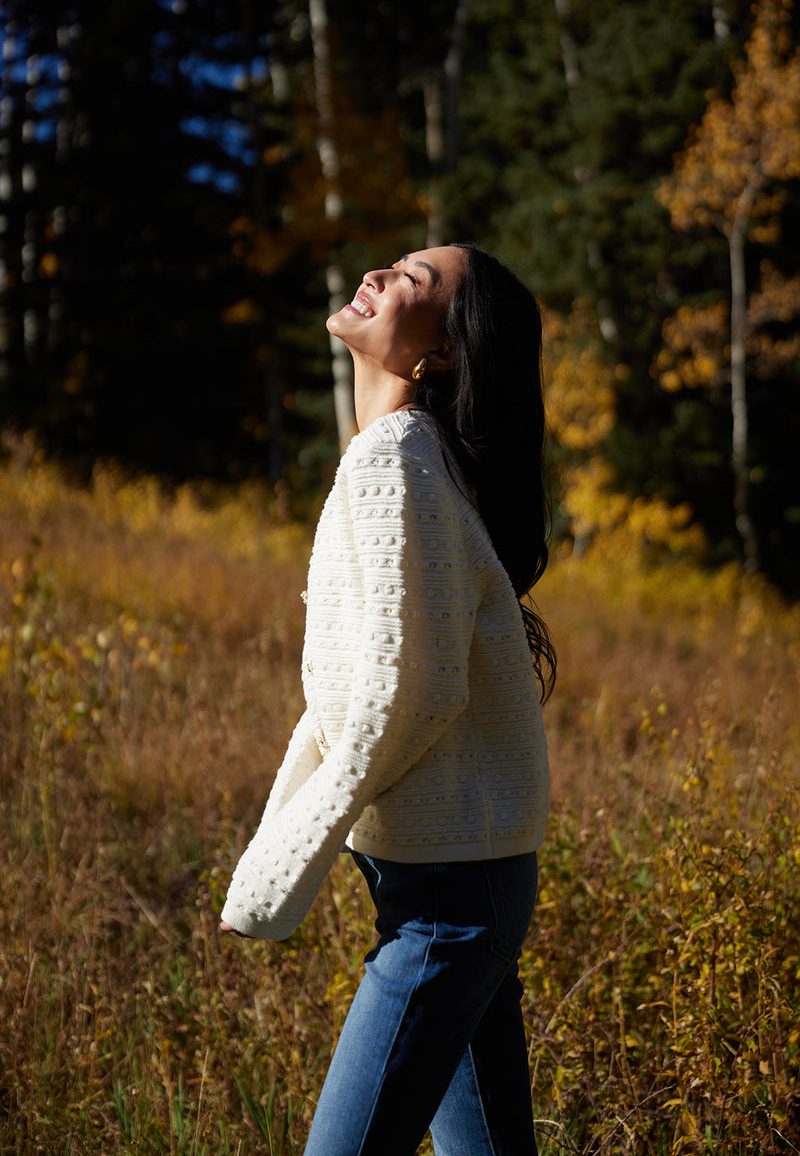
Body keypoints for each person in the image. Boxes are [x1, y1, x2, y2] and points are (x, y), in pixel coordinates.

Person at [220, 243, 555, 1156]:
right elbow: (358, 692)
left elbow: (408, 689)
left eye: (411, 280)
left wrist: (292, 850)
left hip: (449, 896)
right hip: (466, 875)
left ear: (439, 355)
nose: (377, 275)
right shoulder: (411, 458)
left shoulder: (395, 463)